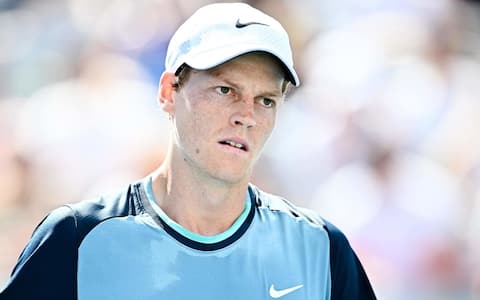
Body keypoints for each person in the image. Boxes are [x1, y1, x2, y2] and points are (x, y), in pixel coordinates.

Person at [0, 3, 376, 299]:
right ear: (168, 93)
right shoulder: (77, 238)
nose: (246, 116)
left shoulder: (321, 249)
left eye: (265, 100)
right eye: (225, 90)